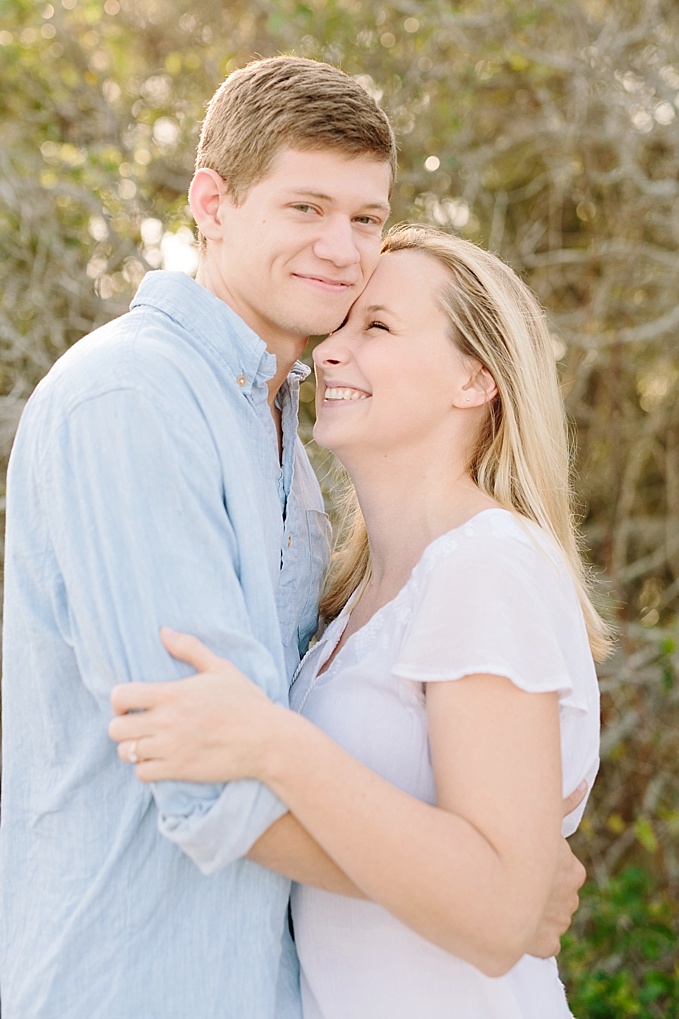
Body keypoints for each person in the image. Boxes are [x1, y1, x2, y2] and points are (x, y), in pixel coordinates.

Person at [109, 224, 608, 1019]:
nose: (330, 351)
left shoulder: (487, 567)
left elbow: (494, 916)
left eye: (375, 326)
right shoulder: (347, 601)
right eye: (338, 325)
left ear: (475, 379)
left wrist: (273, 744)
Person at [0, 56, 396, 1019]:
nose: (341, 249)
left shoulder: (269, 413)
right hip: (124, 982)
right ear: (211, 203)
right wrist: (477, 889)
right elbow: (213, 788)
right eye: (305, 208)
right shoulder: (132, 398)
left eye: (366, 219)